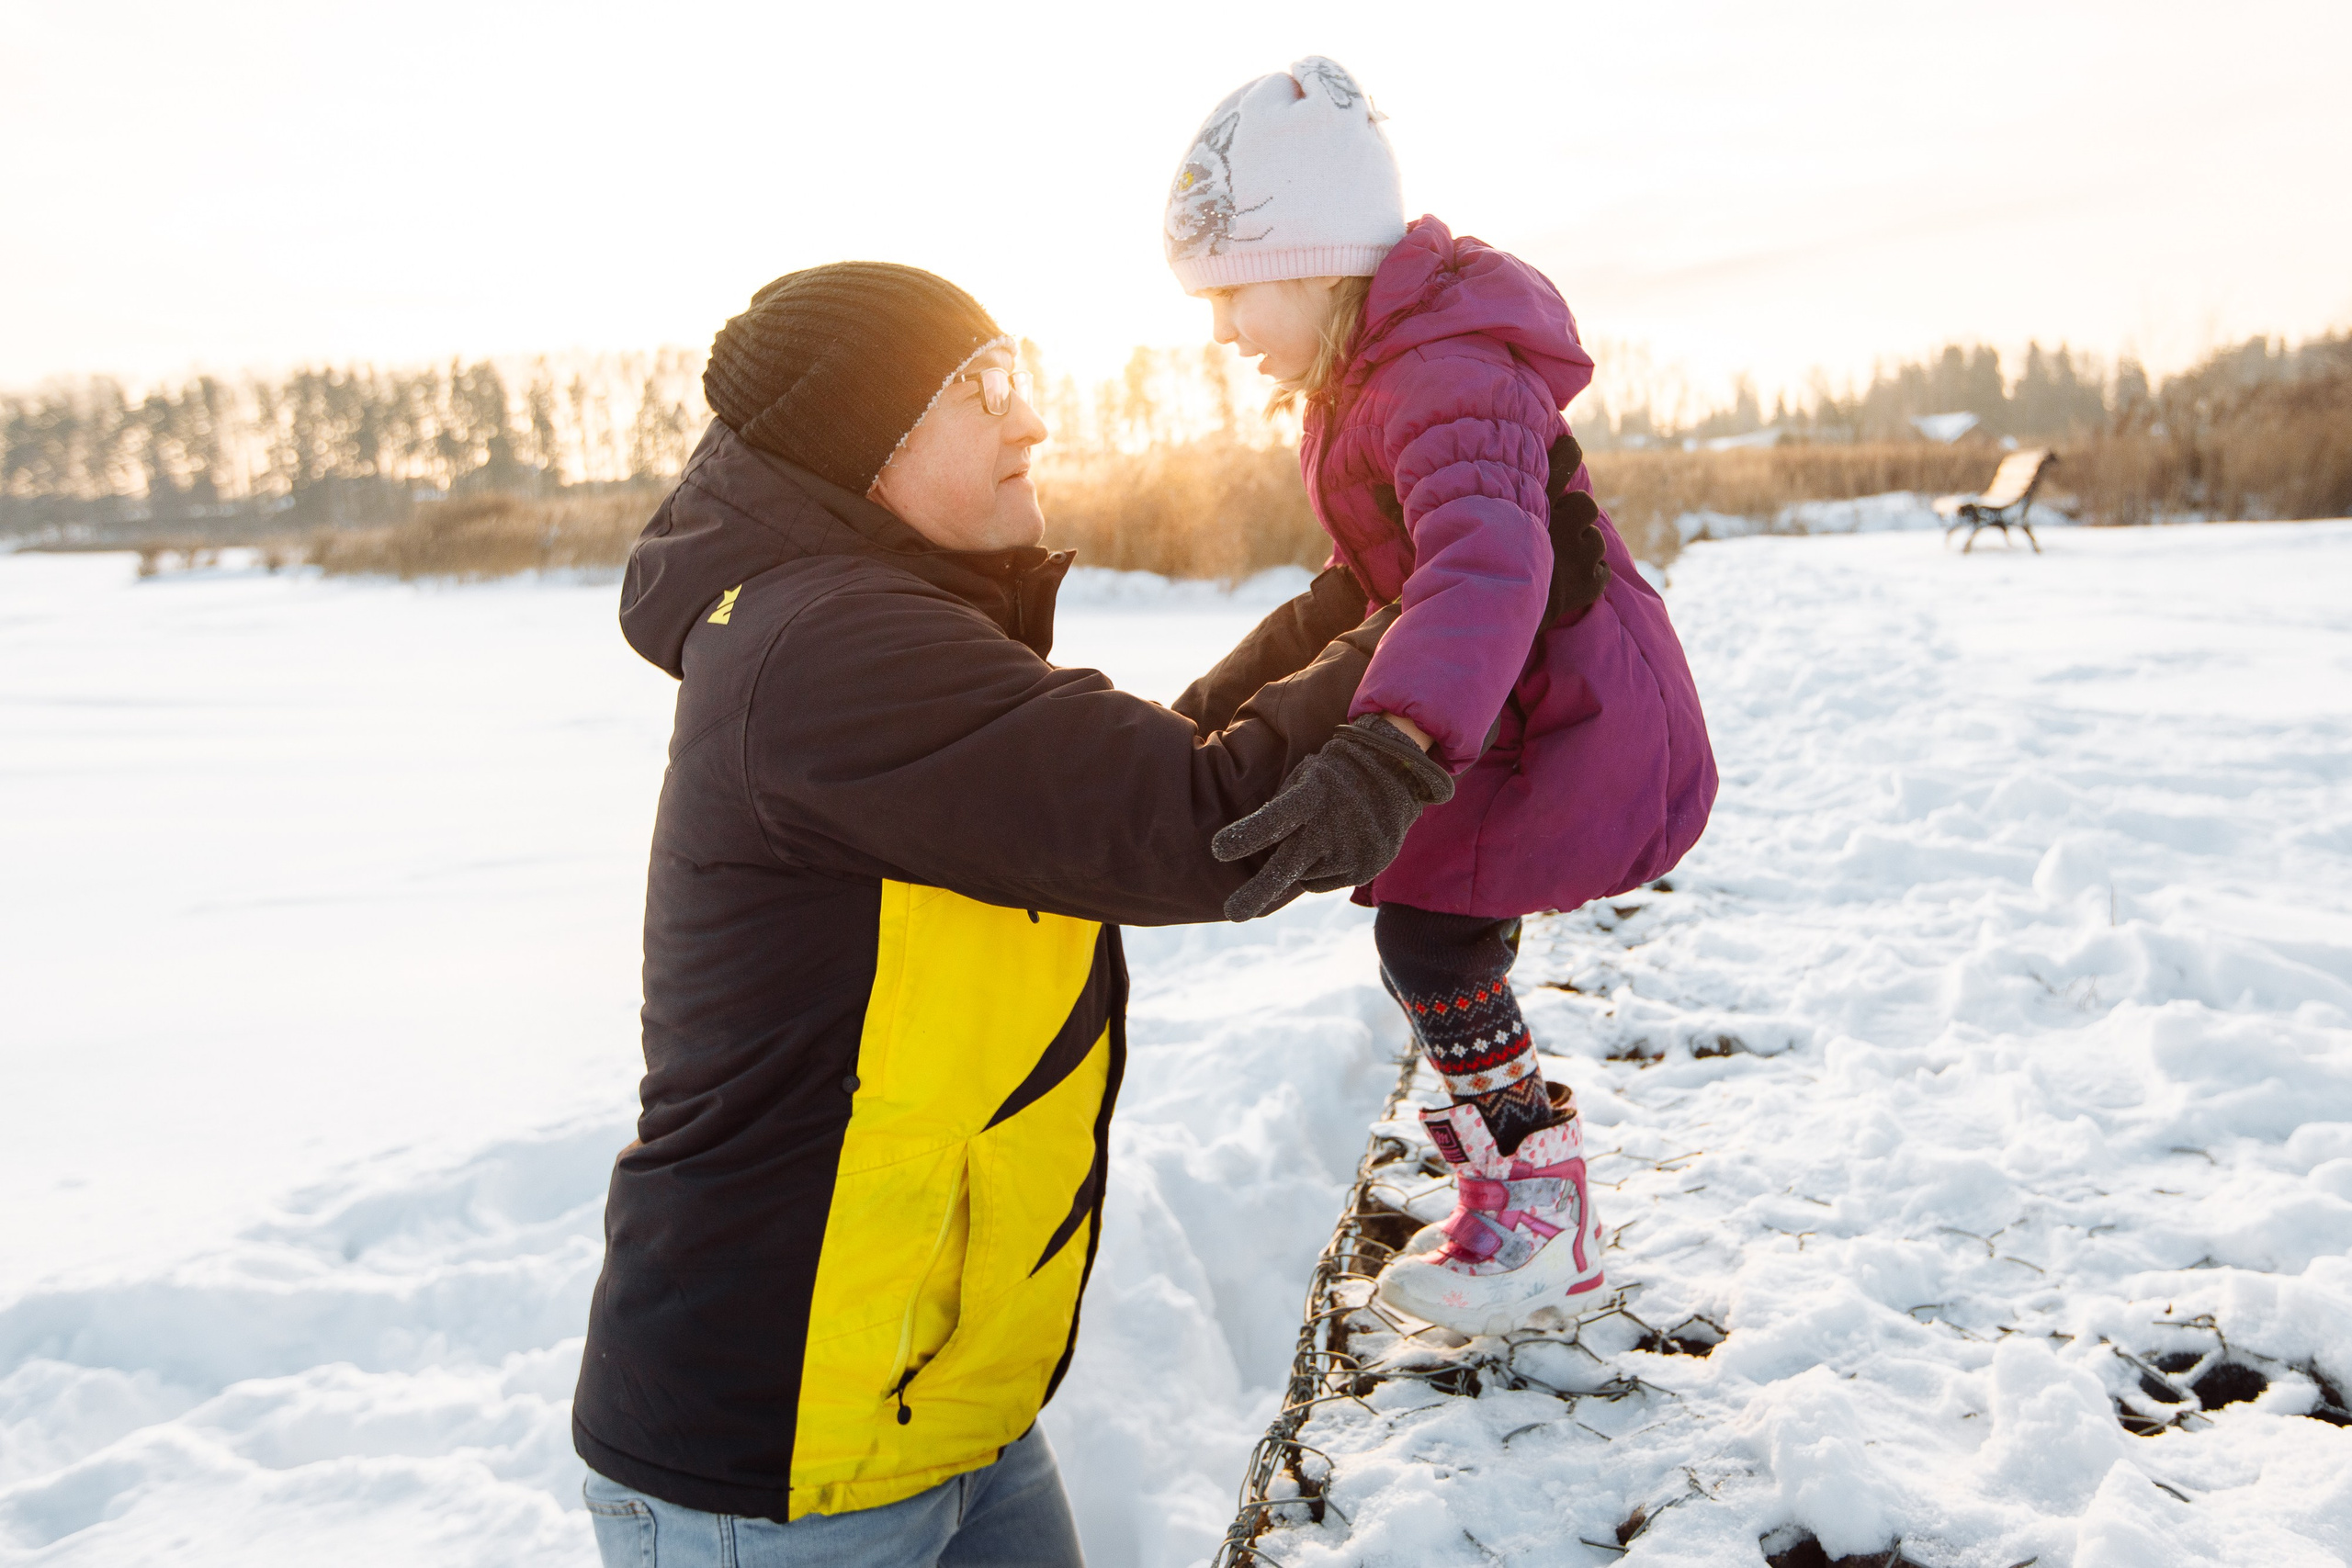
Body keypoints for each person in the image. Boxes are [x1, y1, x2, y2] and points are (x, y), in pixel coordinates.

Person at [571, 262, 1448, 1567]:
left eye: (1020, 378)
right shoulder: (830, 648)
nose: (1031, 421)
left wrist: (1370, 597)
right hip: (781, 1462)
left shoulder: (864, 625)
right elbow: (1196, 820)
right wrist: (1450, 625)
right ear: (860, 443)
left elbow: (1143, 767)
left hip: (934, 1415)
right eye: (981, 391)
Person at [1166, 59, 1719, 1337]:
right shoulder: (1380, 376)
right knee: (1433, 933)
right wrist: (1227, 693)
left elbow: (1484, 563)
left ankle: (1539, 1217)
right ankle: (1528, 1201)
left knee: (1430, 931)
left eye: (1230, 298)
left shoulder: (1437, 374)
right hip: (1516, 701)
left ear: (1310, 263)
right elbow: (1372, 577)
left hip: (1563, 712)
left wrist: (1391, 748)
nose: (1220, 333)